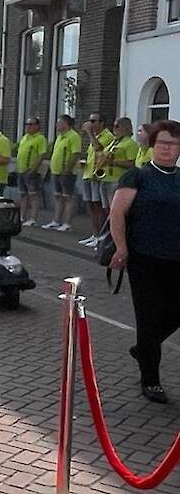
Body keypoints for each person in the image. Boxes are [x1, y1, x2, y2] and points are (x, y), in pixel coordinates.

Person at [109, 120, 180, 404]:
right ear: (152, 145)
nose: (167, 148)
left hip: (177, 259)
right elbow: (117, 213)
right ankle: (151, 380)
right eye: (162, 142)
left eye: (173, 144)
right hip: (144, 258)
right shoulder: (137, 176)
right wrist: (121, 247)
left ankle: (144, 347)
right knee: (149, 318)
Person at [42, 115, 82, 231]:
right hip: (56, 171)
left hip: (66, 172)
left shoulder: (73, 136)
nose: (57, 125)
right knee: (58, 196)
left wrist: (67, 169)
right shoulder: (60, 137)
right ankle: (56, 220)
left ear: (66, 123)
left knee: (68, 197)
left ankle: (67, 223)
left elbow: (75, 153)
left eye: (59, 123)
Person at [80, 113, 115, 247]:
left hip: (98, 176)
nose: (90, 123)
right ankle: (95, 235)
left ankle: (101, 236)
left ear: (102, 123)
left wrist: (89, 132)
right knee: (90, 206)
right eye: (90, 120)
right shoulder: (96, 136)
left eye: (93, 121)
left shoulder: (107, 136)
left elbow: (99, 148)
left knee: (98, 207)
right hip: (88, 173)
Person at [15, 117, 48, 226]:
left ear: (37, 126)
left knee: (33, 195)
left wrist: (33, 169)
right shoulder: (25, 137)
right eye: (26, 124)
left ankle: (33, 218)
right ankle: (22, 216)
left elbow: (42, 154)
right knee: (22, 195)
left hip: (32, 171)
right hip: (21, 170)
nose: (28, 126)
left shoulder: (40, 138)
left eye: (31, 124)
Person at [98, 117, 139, 199]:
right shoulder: (114, 142)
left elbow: (132, 164)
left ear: (125, 128)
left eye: (117, 126)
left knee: (114, 207)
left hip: (118, 180)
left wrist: (113, 162)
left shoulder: (130, 143)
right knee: (105, 208)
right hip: (105, 179)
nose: (114, 129)